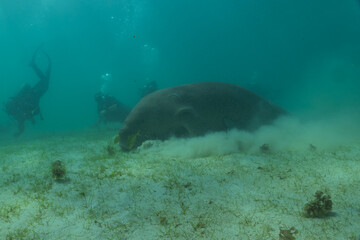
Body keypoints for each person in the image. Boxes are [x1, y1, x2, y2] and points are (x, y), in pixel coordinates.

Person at [3, 45, 51, 137]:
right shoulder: (19, 114)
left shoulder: (19, 113)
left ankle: (33, 65)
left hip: (32, 94)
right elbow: (24, 120)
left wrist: (19, 132)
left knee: (45, 84)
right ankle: (33, 65)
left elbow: (26, 116)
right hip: (32, 94)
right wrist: (19, 133)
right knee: (45, 83)